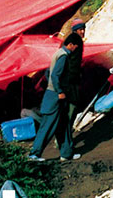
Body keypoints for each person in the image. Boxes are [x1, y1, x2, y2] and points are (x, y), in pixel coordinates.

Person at [28, 34, 83, 162]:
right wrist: (59, 90)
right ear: (71, 45)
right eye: (75, 46)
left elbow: (48, 73)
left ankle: (67, 153)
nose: (75, 49)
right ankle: (34, 154)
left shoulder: (58, 53)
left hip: (56, 95)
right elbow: (54, 75)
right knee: (48, 125)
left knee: (63, 125)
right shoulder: (63, 56)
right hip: (55, 96)